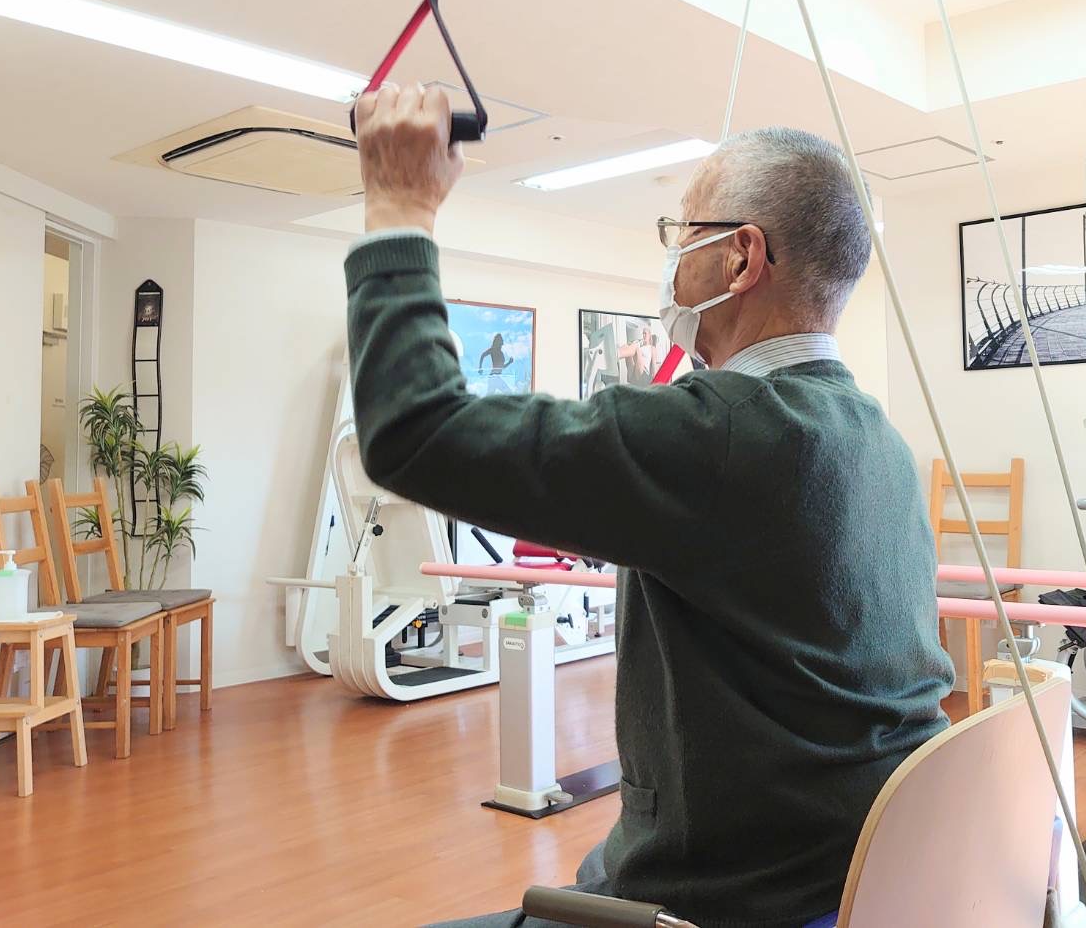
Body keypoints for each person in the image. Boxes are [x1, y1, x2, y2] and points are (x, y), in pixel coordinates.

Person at [346, 82, 954, 928]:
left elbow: (412, 432)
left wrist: (398, 207)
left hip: (726, 902)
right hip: (860, 873)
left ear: (740, 258)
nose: (671, 261)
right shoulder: (873, 436)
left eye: (683, 233)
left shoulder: (721, 434)